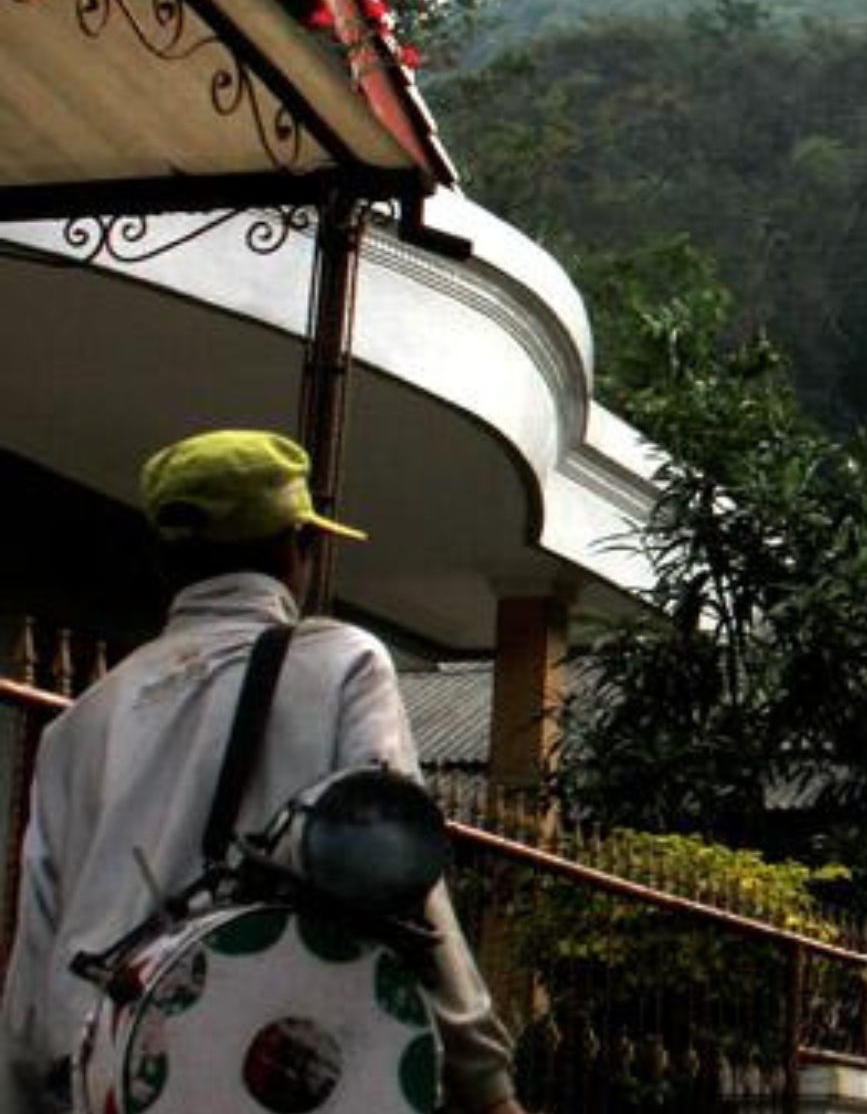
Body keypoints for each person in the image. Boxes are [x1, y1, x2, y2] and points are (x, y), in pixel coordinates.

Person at [0, 430, 525, 1114]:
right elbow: (395, 873)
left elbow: (36, 948)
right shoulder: (342, 663)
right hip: (264, 1064)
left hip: (97, 1072)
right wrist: (484, 1079)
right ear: (295, 548)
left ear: (165, 561)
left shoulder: (79, 724)